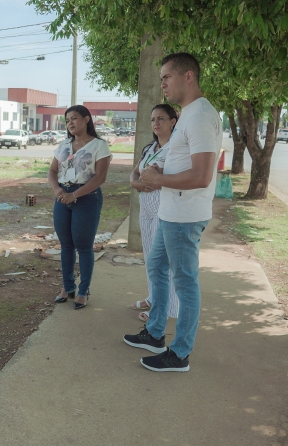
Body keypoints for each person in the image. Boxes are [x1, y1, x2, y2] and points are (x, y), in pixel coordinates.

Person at [123, 52, 221, 372]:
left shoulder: (201, 116)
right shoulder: (188, 114)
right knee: (156, 267)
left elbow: (202, 176)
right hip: (171, 211)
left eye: (167, 77)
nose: (162, 83)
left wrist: (159, 179)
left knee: (185, 284)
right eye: (161, 78)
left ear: (188, 76)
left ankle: (179, 354)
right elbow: (180, 161)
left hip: (185, 215)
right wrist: (158, 170)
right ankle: (155, 334)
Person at [48, 105, 112, 310]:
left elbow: (100, 177)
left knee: (84, 246)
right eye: (67, 120)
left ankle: (83, 291)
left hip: (87, 198)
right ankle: (68, 287)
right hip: (62, 198)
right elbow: (52, 171)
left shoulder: (99, 146)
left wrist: (74, 195)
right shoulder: (63, 145)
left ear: (86, 119)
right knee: (66, 245)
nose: (70, 123)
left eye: (74, 118)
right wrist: (57, 190)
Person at [129, 104, 179, 323]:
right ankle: (153, 297)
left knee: (163, 262)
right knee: (150, 258)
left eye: (161, 119)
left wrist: (157, 178)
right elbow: (135, 173)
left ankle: (166, 308)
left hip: (164, 207)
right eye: (152, 120)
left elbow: (177, 177)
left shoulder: (176, 149)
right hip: (146, 207)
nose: (156, 123)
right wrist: (136, 183)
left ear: (173, 122)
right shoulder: (150, 148)